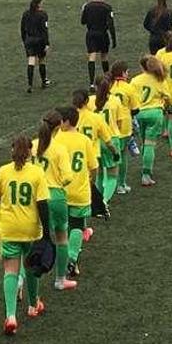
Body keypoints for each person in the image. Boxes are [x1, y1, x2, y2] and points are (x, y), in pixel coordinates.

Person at [0, 136, 50, 336]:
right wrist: (47, 233)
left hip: (8, 229)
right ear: (29, 152)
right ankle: (33, 305)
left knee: (10, 271)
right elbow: (42, 204)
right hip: (30, 230)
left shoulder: (3, 171)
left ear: (12, 150)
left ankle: (10, 316)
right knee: (32, 267)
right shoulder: (37, 172)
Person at [31, 111, 75, 291]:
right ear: (58, 127)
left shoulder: (33, 145)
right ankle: (60, 279)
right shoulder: (59, 148)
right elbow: (68, 177)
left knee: (33, 238)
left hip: (35, 197)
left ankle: (20, 280)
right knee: (61, 238)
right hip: (55, 196)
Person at [52, 107, 97, 281]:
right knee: (77, 225)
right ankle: (72, 259)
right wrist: (92, 182)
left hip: (60, 190)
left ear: (66, 121)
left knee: (62, 229)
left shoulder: (56, 139)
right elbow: (93, 166)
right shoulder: (84, 140)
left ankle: (68, 262)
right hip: (80, 190)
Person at [72, 89, 119, 220]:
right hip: (92, 154)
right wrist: (115, 152)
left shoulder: (71, 118)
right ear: (87, 101)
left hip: (75, 155)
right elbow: (108, 140)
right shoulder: (95, 117)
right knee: (97, 178)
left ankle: (90, 206)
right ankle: (100, 203)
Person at [130, 56, 170, 187]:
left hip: (139, 114)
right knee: (150, 144)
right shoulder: (159, 79)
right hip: (155, 113)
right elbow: (168, 97)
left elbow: (130, 98)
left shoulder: (135, 80)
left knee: (143, 142)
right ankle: (146, 174)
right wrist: (165, 107)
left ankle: (145, 165)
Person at [90, 77, 127, 213]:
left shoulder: (90, 101)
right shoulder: (115, 100)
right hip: (111, 139)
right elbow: (120, 122)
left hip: (95, 141)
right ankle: (104, 201)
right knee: (112, 175)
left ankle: (97, 201)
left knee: (98, 174)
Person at [107, 62, 141, 195]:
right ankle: (120, 184)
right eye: (126, 72)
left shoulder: (109, 86)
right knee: (122, 155)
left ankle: (109, 182)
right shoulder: (128, 88)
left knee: (110, 157)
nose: (128, 74)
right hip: (124, 126)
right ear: (122, 73)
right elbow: (135, 109)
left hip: (110, 125)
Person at [80, 0, 117, 90]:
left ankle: (91, 83)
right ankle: (107, 80)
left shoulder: (87, 6)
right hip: (102, 34)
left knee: (92, 57)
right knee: (104, 56)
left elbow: (83, 22)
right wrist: (114, 39)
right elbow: (111, 24)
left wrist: (83, 11)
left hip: (91, 34)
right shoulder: (107, 7)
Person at [20, 0, 52, 93]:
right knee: (41, 60)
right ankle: (44, 81)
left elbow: (22, 28)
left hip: (29, 40)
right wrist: (47, 43)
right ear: (39, 3)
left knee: (31, 61)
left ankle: (30, 84)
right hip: (39, 41)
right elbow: (44, 30)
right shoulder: (43, 14)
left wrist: (24, 40)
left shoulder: (26, 14)